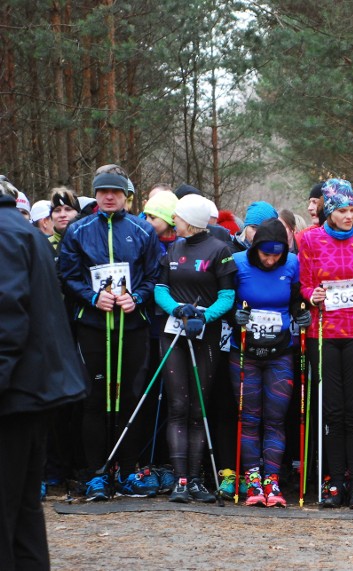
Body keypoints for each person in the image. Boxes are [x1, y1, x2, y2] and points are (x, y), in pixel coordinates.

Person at [58, 169, 161, 500]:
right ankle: (97, 473)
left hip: (132, 326)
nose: (108, 196)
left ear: (126, 195)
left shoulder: (142, 229)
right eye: (102, 191)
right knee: (95, 399)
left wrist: (138, 297)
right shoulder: (79, 230)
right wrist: (92, 296)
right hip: (93, 326)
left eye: (115, 191)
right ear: (96, 194)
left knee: (130, 396)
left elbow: (154, 276)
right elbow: (67, 276)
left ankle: (129, 470)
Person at [0, 184, 87, 570]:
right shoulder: (24, 232)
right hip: (32, 391)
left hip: (13, 395)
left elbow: (7, 322)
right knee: (23, 514)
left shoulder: (5, 235)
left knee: (11, 515)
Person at [299, 179, 353, 509]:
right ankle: (334, 481)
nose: (350, 216)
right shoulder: (310, 239)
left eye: (352, 210)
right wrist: (312, 295)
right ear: (329, 212)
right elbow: (305, 284)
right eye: (343, 211)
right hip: (325, 334)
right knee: (332, 410)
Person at [154, 193, 237, 503]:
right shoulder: (173, 248)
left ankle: (196, 479)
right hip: (174, 332)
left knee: (197, 408)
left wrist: (203, 317)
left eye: (178, 217)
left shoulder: (220, 250)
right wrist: (178, 310)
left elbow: (227, 297)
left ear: (190, 221)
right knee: (177, 405)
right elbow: (160, 289)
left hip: (205, 335)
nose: (174, 220)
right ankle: (180, 479)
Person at [229, 218, 309, 507]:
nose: (271, 259)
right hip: (245, 353)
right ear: (255, 248)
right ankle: (252, 481)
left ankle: (271, 481)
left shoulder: (292, 263)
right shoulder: (238, 263)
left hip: (280, 354)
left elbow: (300, 299)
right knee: (249, 417)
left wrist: (302, 315)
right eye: (266, 253)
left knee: (275, 419)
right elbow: (225, 298)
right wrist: (232, 317)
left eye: (277, 254)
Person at [49, 187, 81, 252]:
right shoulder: (44, 245)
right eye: (57, 210)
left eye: (68, 209)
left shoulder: (89, 242)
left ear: (78, 214)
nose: (62, 215)